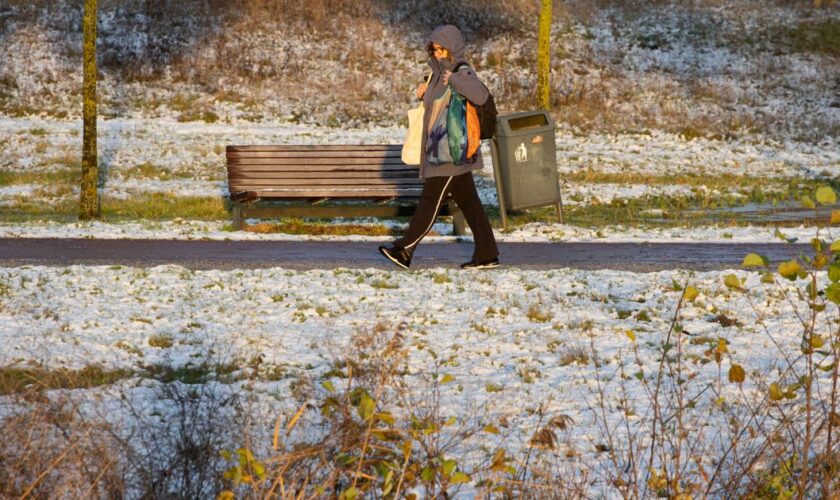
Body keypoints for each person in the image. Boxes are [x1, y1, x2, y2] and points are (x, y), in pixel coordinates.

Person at [379, 24, 500, 270]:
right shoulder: (436, 74)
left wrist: (454, 79)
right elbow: (440, 110)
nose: (437, 54)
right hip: (443, 149)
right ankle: (487, 253)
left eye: (441, 50)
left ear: (452, 49)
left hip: (450, 153)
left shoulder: (461, 71)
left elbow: (480, 96)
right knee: (471, 205)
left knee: (430, 201)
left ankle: (405, 249)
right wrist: (424, 95)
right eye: (434, 50)